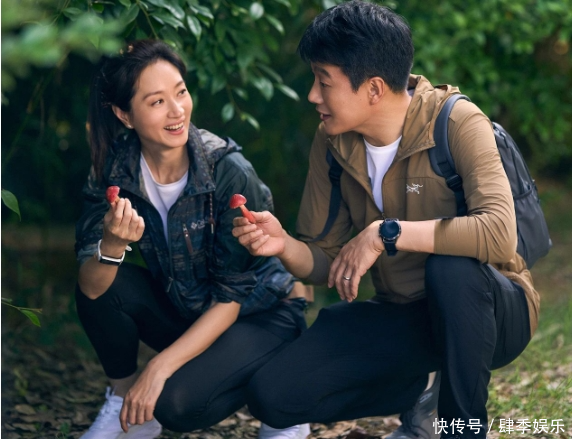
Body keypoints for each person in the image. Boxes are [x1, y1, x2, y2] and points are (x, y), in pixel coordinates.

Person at [232, 2, 538, 438]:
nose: (313, 96)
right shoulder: (332, 141)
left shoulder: (457, 121)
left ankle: (460, 429)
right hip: (406, 315)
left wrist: (385, 233)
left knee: (451, 269)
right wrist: (283, 245)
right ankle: (413, 390)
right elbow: (324, 262)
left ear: (374, 88)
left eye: (323, 82)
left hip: (493, 311)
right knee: (274, 395)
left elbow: (500, 234)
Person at [74, 39, 311, 439]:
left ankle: (282, 397)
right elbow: (91, 288)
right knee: (102, 280)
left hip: (261, 315)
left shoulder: (228, 171)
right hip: (191, 311)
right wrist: (111, 246)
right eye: (157, 102)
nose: (177, 110)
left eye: (180, 92)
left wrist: (158, 367)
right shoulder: (114, 168)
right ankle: (123, 401)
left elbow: (230, 298)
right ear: (124, 115)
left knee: (177, 406)